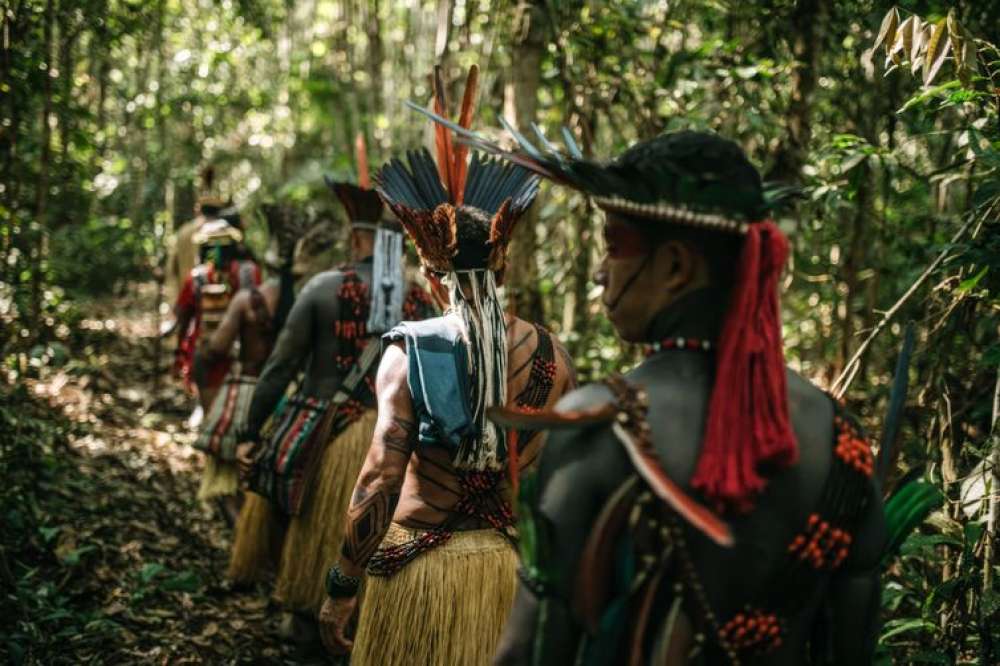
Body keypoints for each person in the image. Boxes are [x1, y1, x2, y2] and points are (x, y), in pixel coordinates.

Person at [445, 129, 885, 664]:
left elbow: (534, 650)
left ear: (676, 267)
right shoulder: (843, 441)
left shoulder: (597, 423)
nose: (602, 274)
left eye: (613, 246)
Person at [318, 65, 576, 666]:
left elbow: (381, 476)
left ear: (431, 278)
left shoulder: (408, 350)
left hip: (417, 577)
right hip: (508, 578)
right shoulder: (553, 355)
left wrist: (341, 587)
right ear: (504, 268)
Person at [235, 138, 437, 639]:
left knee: (312, 536)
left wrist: (248, 430)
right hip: (395, 446)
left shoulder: (323, 288)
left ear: (354, 238)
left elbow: (280, 367)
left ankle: (304, 614)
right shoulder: (419, 299)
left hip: (327, 441)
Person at [192, 203, 311, 577]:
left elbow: (217, 348)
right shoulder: (303, 302)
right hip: (289, 400)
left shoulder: (248, 301)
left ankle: (244, 546)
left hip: (245, 394)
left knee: (228, 478)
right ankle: (269, 553)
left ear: (269, 264)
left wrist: (203, 353)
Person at [165, 166, 227, 303]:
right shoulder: (226, 230)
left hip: (188, 300)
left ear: (198, 210)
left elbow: (172, 269)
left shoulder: (184, 231)